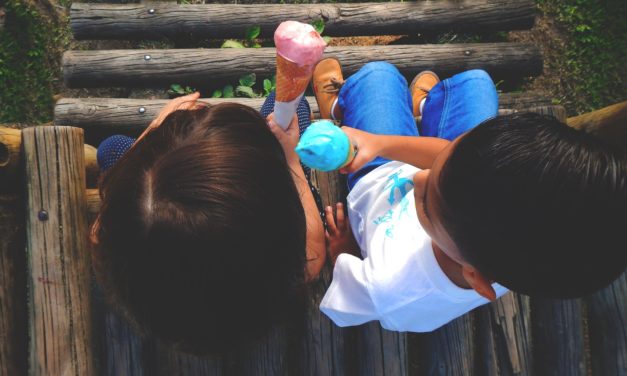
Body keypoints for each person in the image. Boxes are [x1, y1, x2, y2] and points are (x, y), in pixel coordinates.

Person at [312, 60, 626, 331]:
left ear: (475, 277)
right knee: (477, 81)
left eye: (424, 205)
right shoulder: (516, 252)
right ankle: (425, 106)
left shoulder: (388, 287)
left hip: (376, 179)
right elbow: (446, 157)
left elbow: (344, 305)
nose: (417, 177)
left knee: (377, 76)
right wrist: (379, 143)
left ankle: (343, 107)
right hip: (407, 160)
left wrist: (346, 251)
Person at [91, 92, 326, 353]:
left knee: (111, 148)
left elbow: (98, 230)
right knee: (289, 105)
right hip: (254, 302)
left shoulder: (123, 245)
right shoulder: (280, 268)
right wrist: (290, 157)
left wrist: (155, 132)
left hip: (187, 319)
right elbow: (313, 256)